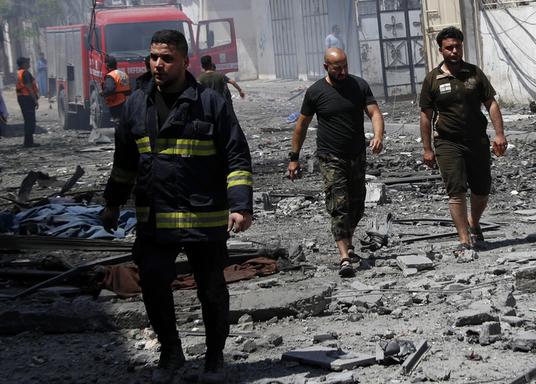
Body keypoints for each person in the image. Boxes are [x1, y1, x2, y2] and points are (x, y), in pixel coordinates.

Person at [100, 29, 253, 384]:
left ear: (186, 61)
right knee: (153, 285)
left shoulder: (211, 103)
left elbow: (236, 156)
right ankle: (171, 352)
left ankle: (214, 357)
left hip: (205, 216)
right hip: (155, 218)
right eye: (153, 57)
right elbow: (124, 162)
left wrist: (240, 206)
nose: (158, 64)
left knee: (212, 289)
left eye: (167, 58)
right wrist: (111, 204)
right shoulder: (136, 104)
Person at [287, 47, 384, 278]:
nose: (342, 71)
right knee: (339, 206)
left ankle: (348, 243)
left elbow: (374, 113)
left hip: (357, 156)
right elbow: (301, 126)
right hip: (331, 157)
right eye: (336, 68)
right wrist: (294, 158)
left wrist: (379, 135)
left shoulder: (359, 86)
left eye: (345, 66)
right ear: (326, 67)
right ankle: (344, 257)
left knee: (357, 205)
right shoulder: (315, 92)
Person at [418, 26, 507, 257]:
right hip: (448, 143)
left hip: (477, 141)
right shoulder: (432, 80)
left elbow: (491, 104)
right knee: (456, 191)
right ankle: (464, 239)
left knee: (482, 189)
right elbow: (426, 115)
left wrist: (499, 134)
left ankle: (474, 222)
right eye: (449, 47)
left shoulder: (475, 74)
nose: (454, 51)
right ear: (441, 50)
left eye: (457, 46)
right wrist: (427, 148)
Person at [16, 57, 40, 147]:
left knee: (28, 120)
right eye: (27, 62)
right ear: (23, 64)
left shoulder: (19, 72)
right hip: (27, 98)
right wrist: (35, 100)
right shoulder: (25, 73)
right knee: (30, 120)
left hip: (22, 98)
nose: (29, 64)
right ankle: (28, 142)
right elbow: (29, 88)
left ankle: (28, 141)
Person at [101, 56, 132, 120]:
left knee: (117, 122)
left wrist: (103, 93)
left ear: (107, 65)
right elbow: (129, 88)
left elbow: (110, 89)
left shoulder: (110, 76)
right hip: (126, 102)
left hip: (115, 103)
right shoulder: (123, 74)